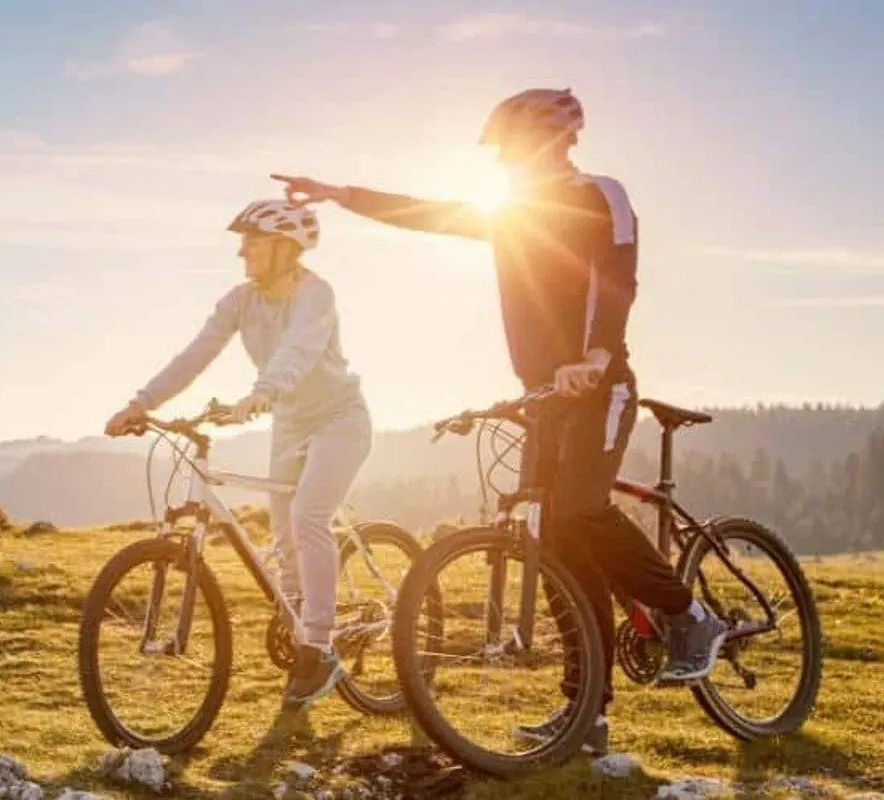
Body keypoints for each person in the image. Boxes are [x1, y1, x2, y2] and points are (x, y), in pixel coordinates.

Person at [270, 87, 729, 753]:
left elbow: (616, 274)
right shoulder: (509, 215)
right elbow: (425, 212)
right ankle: (587, 714)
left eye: (512, 151)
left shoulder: (602, 194)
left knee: (578, 509)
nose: (504, 166)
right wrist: (339, 192)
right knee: (557, 549)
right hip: (546, 397)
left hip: (601, 386)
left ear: (551, 143)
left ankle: (688, 617)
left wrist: (597, 354)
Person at [104, 198, 374, 709]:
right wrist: (140, 404)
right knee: (282, 534)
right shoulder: (239, 300)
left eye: (251, 241)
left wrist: (263, 392)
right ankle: (299, 638)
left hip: (340, 419)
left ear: (283, 246)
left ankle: (319, 645)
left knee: (308, 517)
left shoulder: (316, 294)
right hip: (290, 423)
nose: (241, 252)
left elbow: (300, 348)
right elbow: (195, 355)